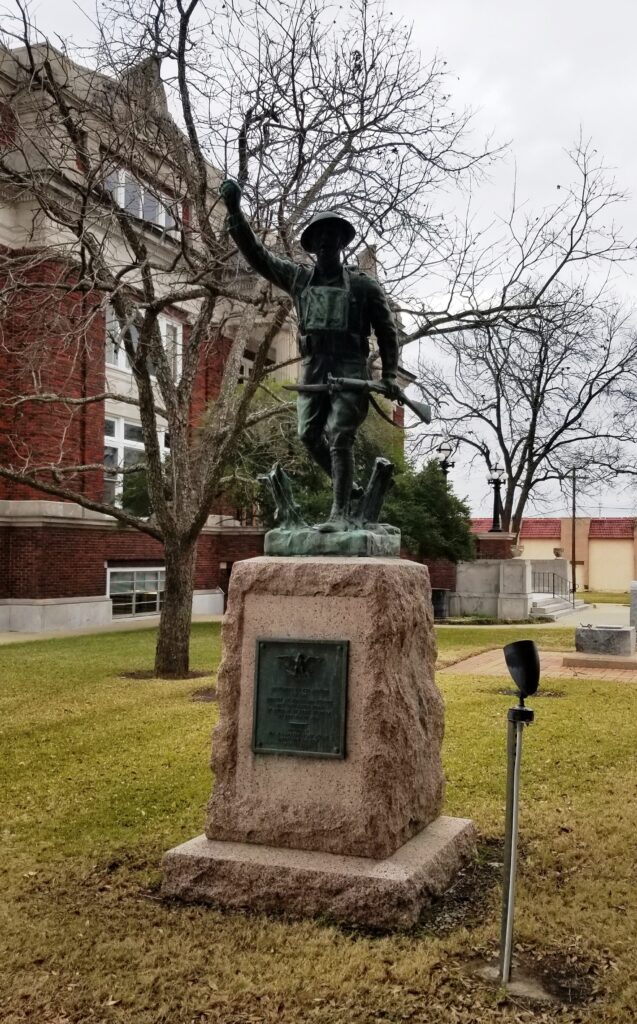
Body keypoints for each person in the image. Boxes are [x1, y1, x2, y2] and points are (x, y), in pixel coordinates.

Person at [219, 179, 400, 531]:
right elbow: (257, 255)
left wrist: (389, 375)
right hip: (313, 367)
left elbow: (387, 332)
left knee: (339, 434)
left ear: (341, 242)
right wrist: (235, 212)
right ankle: (345, 486)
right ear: (314, 245)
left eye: (333, 236)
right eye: (320, 237)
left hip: (350, 366)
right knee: (307, 434)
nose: (326, 242)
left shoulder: (363, 285)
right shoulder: (299, 279)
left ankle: (340, 514)